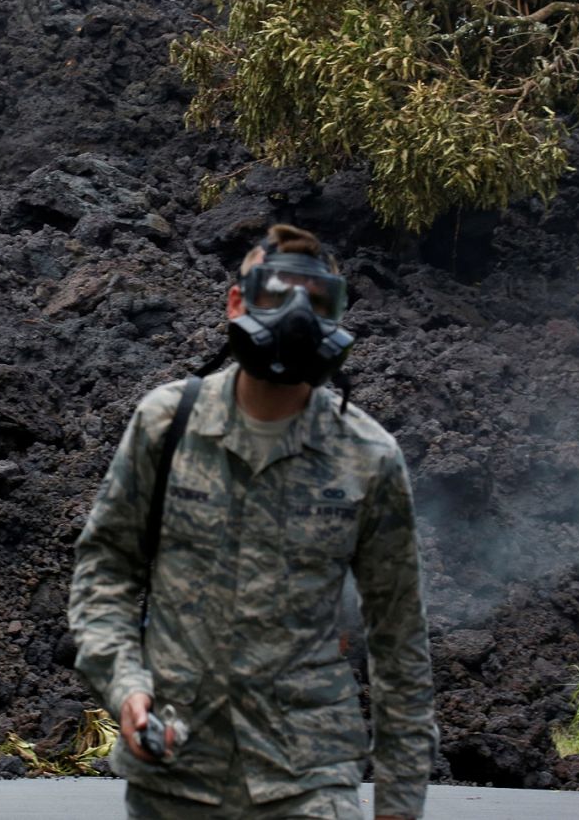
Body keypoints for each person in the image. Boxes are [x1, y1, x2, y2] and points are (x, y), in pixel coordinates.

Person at [68, 224, 436, 819]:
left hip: (308, 780)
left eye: (316, 302)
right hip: (176, 772)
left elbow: (400, 644)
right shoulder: (168, 425)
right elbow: (105, 570)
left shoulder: (367, 456)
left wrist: (399, 804)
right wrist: (126, 685)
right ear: (237, 301)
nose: (295, 315)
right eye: (275, 294)